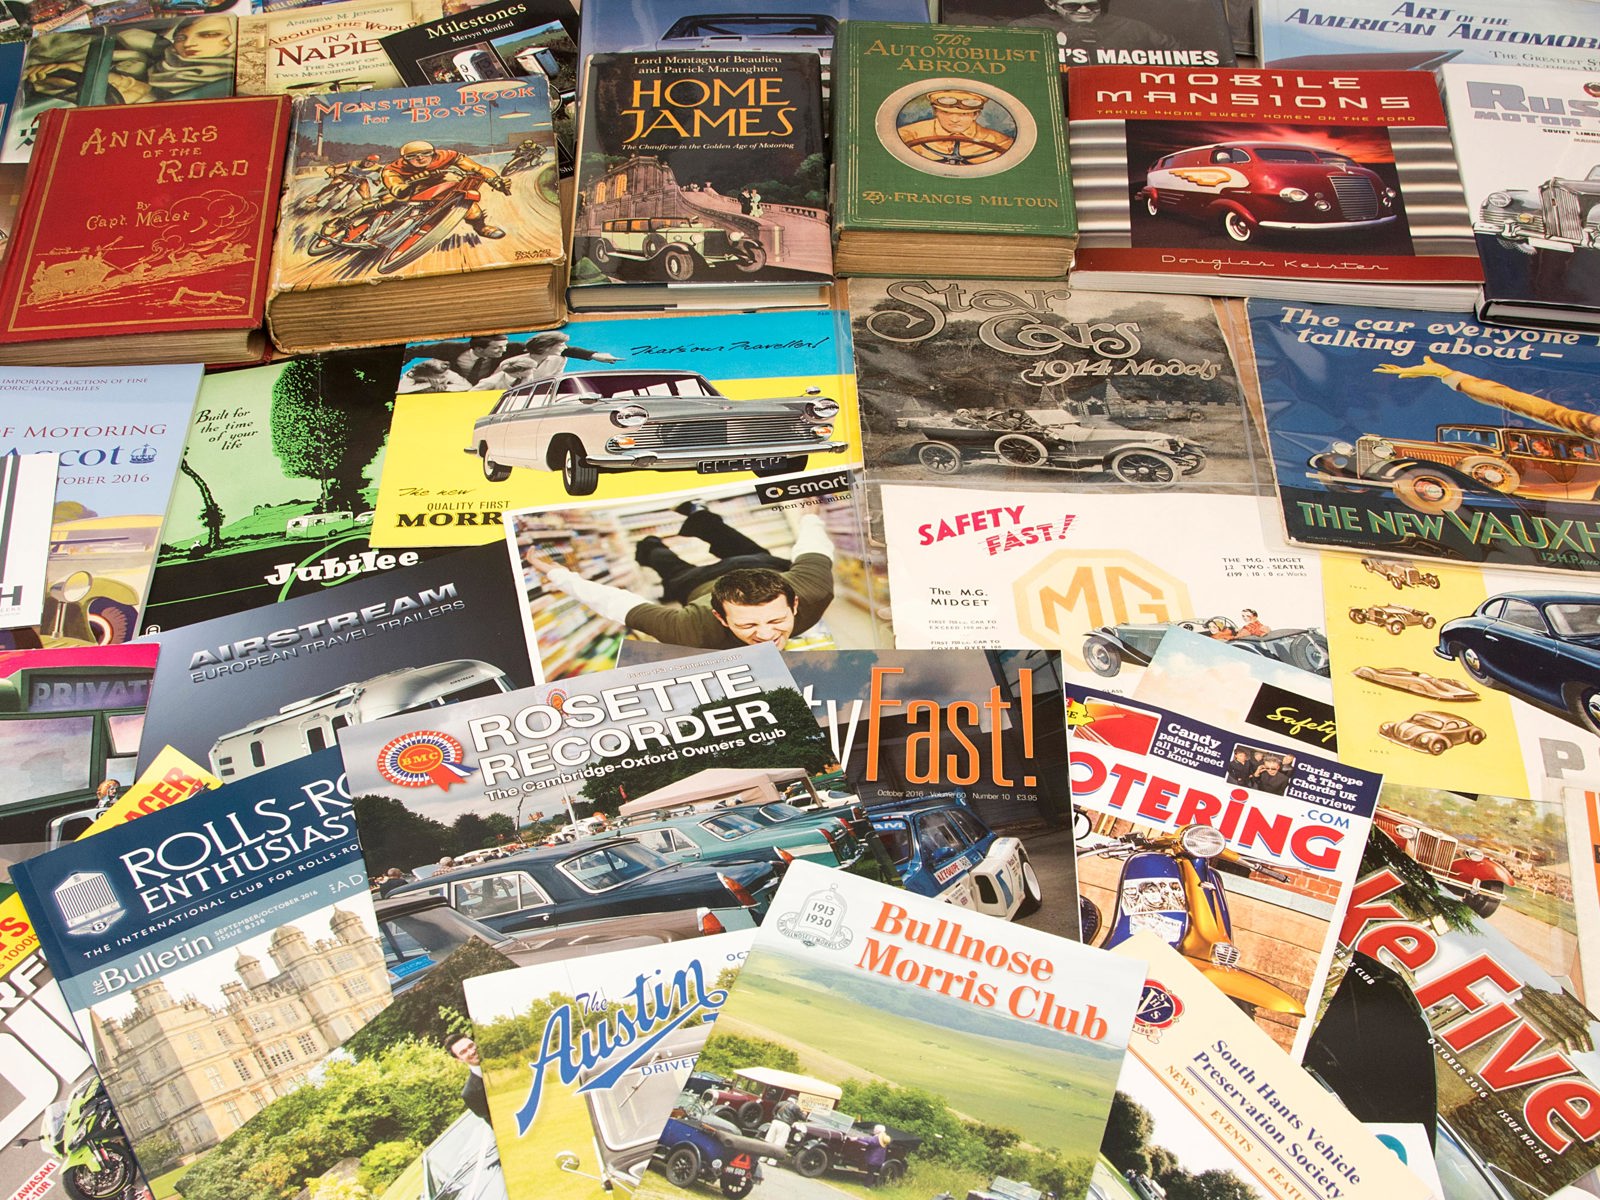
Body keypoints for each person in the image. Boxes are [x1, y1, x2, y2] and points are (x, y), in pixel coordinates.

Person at [527, 502, 836, 651]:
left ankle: (677, 530)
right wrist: (557, 573)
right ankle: (654, 542)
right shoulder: (691, 629)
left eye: (776, 620)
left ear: (795, 603)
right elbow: (615, 602)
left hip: (758, 566)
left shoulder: (813, 590)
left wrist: (810, 513)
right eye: (748, 625)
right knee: (674, 567)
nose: (766, 635)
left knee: (737, 556)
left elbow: (813, 545)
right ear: (720, 617)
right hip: (703, 582)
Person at [322, 138, 511, 245]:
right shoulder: (393, 168)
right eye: (413, 156)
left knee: (471, 208)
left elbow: (477, 169)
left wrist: (495, 180)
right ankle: (341, 221)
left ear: (433, 153)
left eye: (425, 154)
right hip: (410, 190)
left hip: (443, 186)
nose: (420, 159)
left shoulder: (448, 156)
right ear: (405, 159)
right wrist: (408, 185)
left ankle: (481, 227)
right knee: (388, 202)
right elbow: (396, 187)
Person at [22, 14, 235, 106]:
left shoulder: (230, 80)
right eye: (181, 38)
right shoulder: (153, 63)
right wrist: (77, 70)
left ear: (232, 40)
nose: (189, 43)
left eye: (209, 35)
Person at [1010, 0, 1182, 60]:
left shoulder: (1132, 28)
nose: (1084, 11)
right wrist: (1059, 40)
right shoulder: (1026, 28)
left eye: (1092, 5)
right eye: (1072, 6)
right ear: (1051, 4)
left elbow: (1179, 56)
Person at [897, 88, 1014, 165]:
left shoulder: (1000, 142)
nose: (954, 120)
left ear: (976, 115)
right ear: (935, 111)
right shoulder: (908, 134)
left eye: (964, 114)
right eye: (946, 112)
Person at [446, 1032, 490, 1122]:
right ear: (459, 1059)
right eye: (463, 1052)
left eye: (471, 1046)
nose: (472, 1051)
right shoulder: (470, 1094)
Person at [315, 154, 381, 207]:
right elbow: (331, 167)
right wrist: (332, 173)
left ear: (375, 163)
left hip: (361, 180)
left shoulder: (377, 167)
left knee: (366, 197)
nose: (368, 163)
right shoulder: (353, 163)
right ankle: (316, 196)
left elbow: (383, 175)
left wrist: (378, 180)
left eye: (372, 162)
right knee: (333, 184)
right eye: (367, 160)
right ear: (364, 159)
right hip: (346, 177)